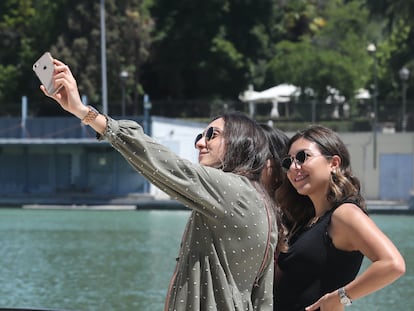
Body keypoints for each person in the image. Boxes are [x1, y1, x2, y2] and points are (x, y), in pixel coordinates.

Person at [39, 58, 279, 311]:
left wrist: (84, 112)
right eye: (200, 135)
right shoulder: (263, 205)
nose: (200, 143)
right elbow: (263, 299)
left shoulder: (231, 190)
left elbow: (164, 164)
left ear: (241, 142)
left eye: (212, 135)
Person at [273, 124, 406, 311]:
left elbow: (392, 264)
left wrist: (340, 298)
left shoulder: (345, 214)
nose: (294, 167)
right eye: (288, 162)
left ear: (334, 163)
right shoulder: (305, 222)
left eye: (303, 157)